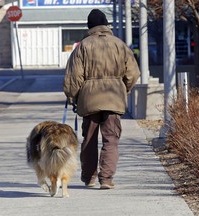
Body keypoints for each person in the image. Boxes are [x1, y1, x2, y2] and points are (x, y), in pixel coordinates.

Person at [63, 9, 140, 189]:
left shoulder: (83, 46)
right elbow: (133, 73)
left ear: (89, 26)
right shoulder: (120, 45)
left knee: (89, 140)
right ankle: (106, 179)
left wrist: (72, 96)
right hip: (114, 98)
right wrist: (123, 89)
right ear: (106, 25)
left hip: (89, 99)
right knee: (111, 139)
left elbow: (74, 77)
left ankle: (89, 177)